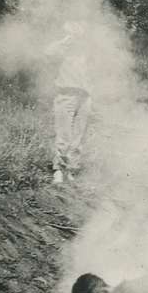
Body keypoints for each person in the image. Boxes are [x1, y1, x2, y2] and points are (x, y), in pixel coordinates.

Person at [45, 22, 89, 184]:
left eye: (79, 33)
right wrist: (65, 41)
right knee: (64, 135)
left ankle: (71, 170)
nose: (77, 36)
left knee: (78, 136)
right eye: (74, 33)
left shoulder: (87, 51)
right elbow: (48, 53)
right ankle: (58, 171)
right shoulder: (62, 49)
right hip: (66, 94)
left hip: (85, 96)